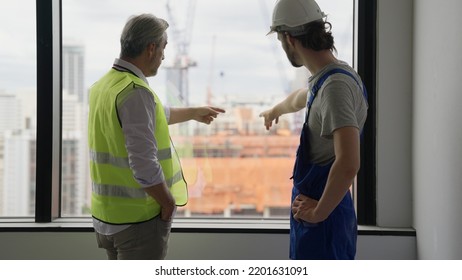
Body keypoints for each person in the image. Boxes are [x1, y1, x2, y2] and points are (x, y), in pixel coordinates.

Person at [88, 13, 225, 260]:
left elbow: (153, 116)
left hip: (106, 217)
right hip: (137, 221)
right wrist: (168, 202)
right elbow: (143, 162)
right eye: (163, 48)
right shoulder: (135, 92)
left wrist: (194, 112)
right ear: (151, 48)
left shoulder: (104, 86)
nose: (163, 56)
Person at [260, 0, 368, 259]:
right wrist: (276, 110)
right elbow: (302, 97)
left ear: (289, 39)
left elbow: (349, 163)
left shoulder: (335, 88)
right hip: (319, 210)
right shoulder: (328, 77)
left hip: (324, 217)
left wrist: (319, 212)